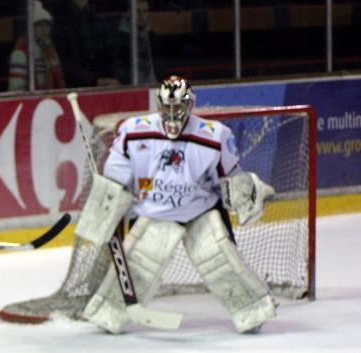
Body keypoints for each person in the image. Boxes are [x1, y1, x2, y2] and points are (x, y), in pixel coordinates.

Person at [76, 76, 277, 333]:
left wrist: (246, 192)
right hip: (153, 213)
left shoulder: (213, 136)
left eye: (178, 108)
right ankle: (109, 314)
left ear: (190, 105)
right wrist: (107, 196)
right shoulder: (134, 131)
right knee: (137, 268)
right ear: (159, 105)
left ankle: (253, 312)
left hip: (200, 212)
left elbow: (229, 175)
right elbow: (117, 177)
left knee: (220, 263)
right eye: (167, 108)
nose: (172, 115)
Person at [51, 0, 116, 88]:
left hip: (101, 85)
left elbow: (109, 54)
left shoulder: (98, 20)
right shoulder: (59, 21)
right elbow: (63, 61)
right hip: (74, 88)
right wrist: (93, 80)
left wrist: (112, 78)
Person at [8, 1, 65, 92]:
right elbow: (16, 89)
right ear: (31, 28)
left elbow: (60, 80)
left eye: (47, 25)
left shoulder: (50, 50)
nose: (44, 29)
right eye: (39, 25)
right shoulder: (20, 52)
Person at [109, 0, 157, 85]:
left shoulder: (152, 36)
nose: (142, 16)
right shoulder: (119, 39)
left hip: (153, 85)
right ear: (129, 12)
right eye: (138, 11)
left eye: (145, 11)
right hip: (129, 87)